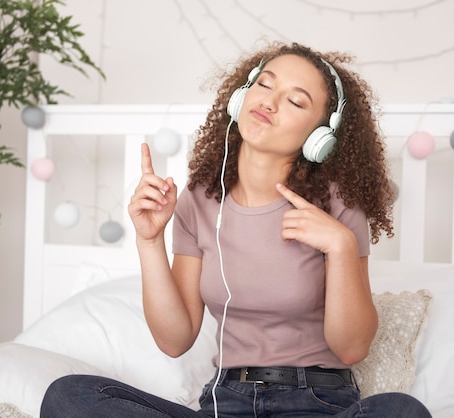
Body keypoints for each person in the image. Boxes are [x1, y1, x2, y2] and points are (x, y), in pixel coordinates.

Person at [40, 41, 431, 417]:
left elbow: (351, 349)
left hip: (319, 402)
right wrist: (150, 240)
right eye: (264, 84)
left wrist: (342, 247)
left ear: (320, 138)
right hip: (224, 403)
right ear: (241, 96)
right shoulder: (199, 201)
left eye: (295, 101)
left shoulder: (337, 206)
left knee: (402, 410)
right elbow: (174, 341)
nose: (269, 102)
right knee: (68, 396)